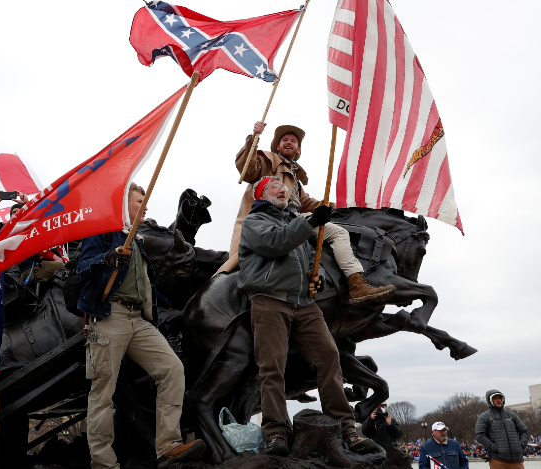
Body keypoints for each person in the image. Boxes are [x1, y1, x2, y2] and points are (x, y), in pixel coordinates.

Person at [237, 176, 381, 456]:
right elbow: (276, 243)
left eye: (285, 187)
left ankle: (346, 429)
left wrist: (313, 282)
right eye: (275, 187)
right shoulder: (254, 222)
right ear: (261, 194)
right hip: (269, 301)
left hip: (304, 303)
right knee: (272, 368)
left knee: (329, 357)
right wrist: (311, 221)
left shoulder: (294, 220)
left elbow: (300, 264)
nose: (283, 190)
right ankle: (276, 432)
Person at [76, 183, 205, 469]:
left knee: (172, 369)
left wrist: (174, 305)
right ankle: (104, 464)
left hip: (138, 320)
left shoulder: (136, 240)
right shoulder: (103, 232)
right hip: (108, 317)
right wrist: (108, 258)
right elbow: (82, 266)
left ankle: (168, 445)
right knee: (103, 393)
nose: (145, 206)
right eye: (139, 201)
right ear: (123, 204)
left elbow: (144, 287)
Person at [220, 122, 395, 305]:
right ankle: (356, 284)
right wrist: (253, 139)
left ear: (298, 149)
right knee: (338, 233)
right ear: (278, 146)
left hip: (295, 217)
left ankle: (331, 282)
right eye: (285, 140)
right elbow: (248, 169)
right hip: (274, 219)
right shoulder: (268, 161)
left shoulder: (294, 176)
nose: (289, 143)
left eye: (293, 141)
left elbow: (306, 203)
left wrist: (340, 206)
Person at [475, 390, 530, 469]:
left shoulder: (511, 415)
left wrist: (520, 446)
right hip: (498, 460)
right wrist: (495, 448)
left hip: (517, 460)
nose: (499, 400)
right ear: (490, 400)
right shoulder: (484, 417)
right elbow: (479, 435)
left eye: (500, 398)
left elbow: (524, 431)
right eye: (495, 398)